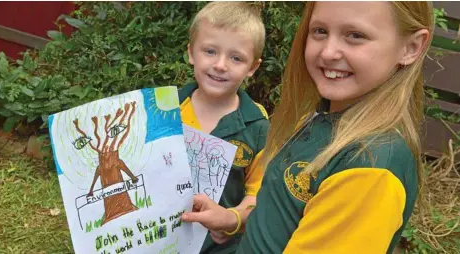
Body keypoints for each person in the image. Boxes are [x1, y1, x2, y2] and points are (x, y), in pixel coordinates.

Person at [182, 1, 434, 253]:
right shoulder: (318, 118)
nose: (328, 52)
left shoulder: (371, 166)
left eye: (355, 35)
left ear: (411, 47)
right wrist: (234, 220)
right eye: (320, 31)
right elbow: (281, 214)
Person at [177, 2, 270, 253]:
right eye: (209, 51)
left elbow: (259, 197)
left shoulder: (258, 127)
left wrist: (234, 219)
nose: (220, 65)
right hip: (160, 241)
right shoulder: (165, 111)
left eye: (236, 57)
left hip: (221, 248)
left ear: (252, 67)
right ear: (191, 53)